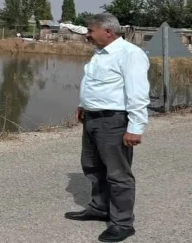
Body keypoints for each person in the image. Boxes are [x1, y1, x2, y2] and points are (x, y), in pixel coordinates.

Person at [65, 13, 150, 242]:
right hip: (92, 119)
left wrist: (135, 127)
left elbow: (138, 93)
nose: (87, 35)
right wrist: (84, 105)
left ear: (108, 32)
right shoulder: (100, 53)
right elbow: (94, 83)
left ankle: (122, 223)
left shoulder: (130, 55)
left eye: (90, 31)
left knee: (118, 174)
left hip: (114, 121)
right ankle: (99, 208)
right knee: (92, 167)